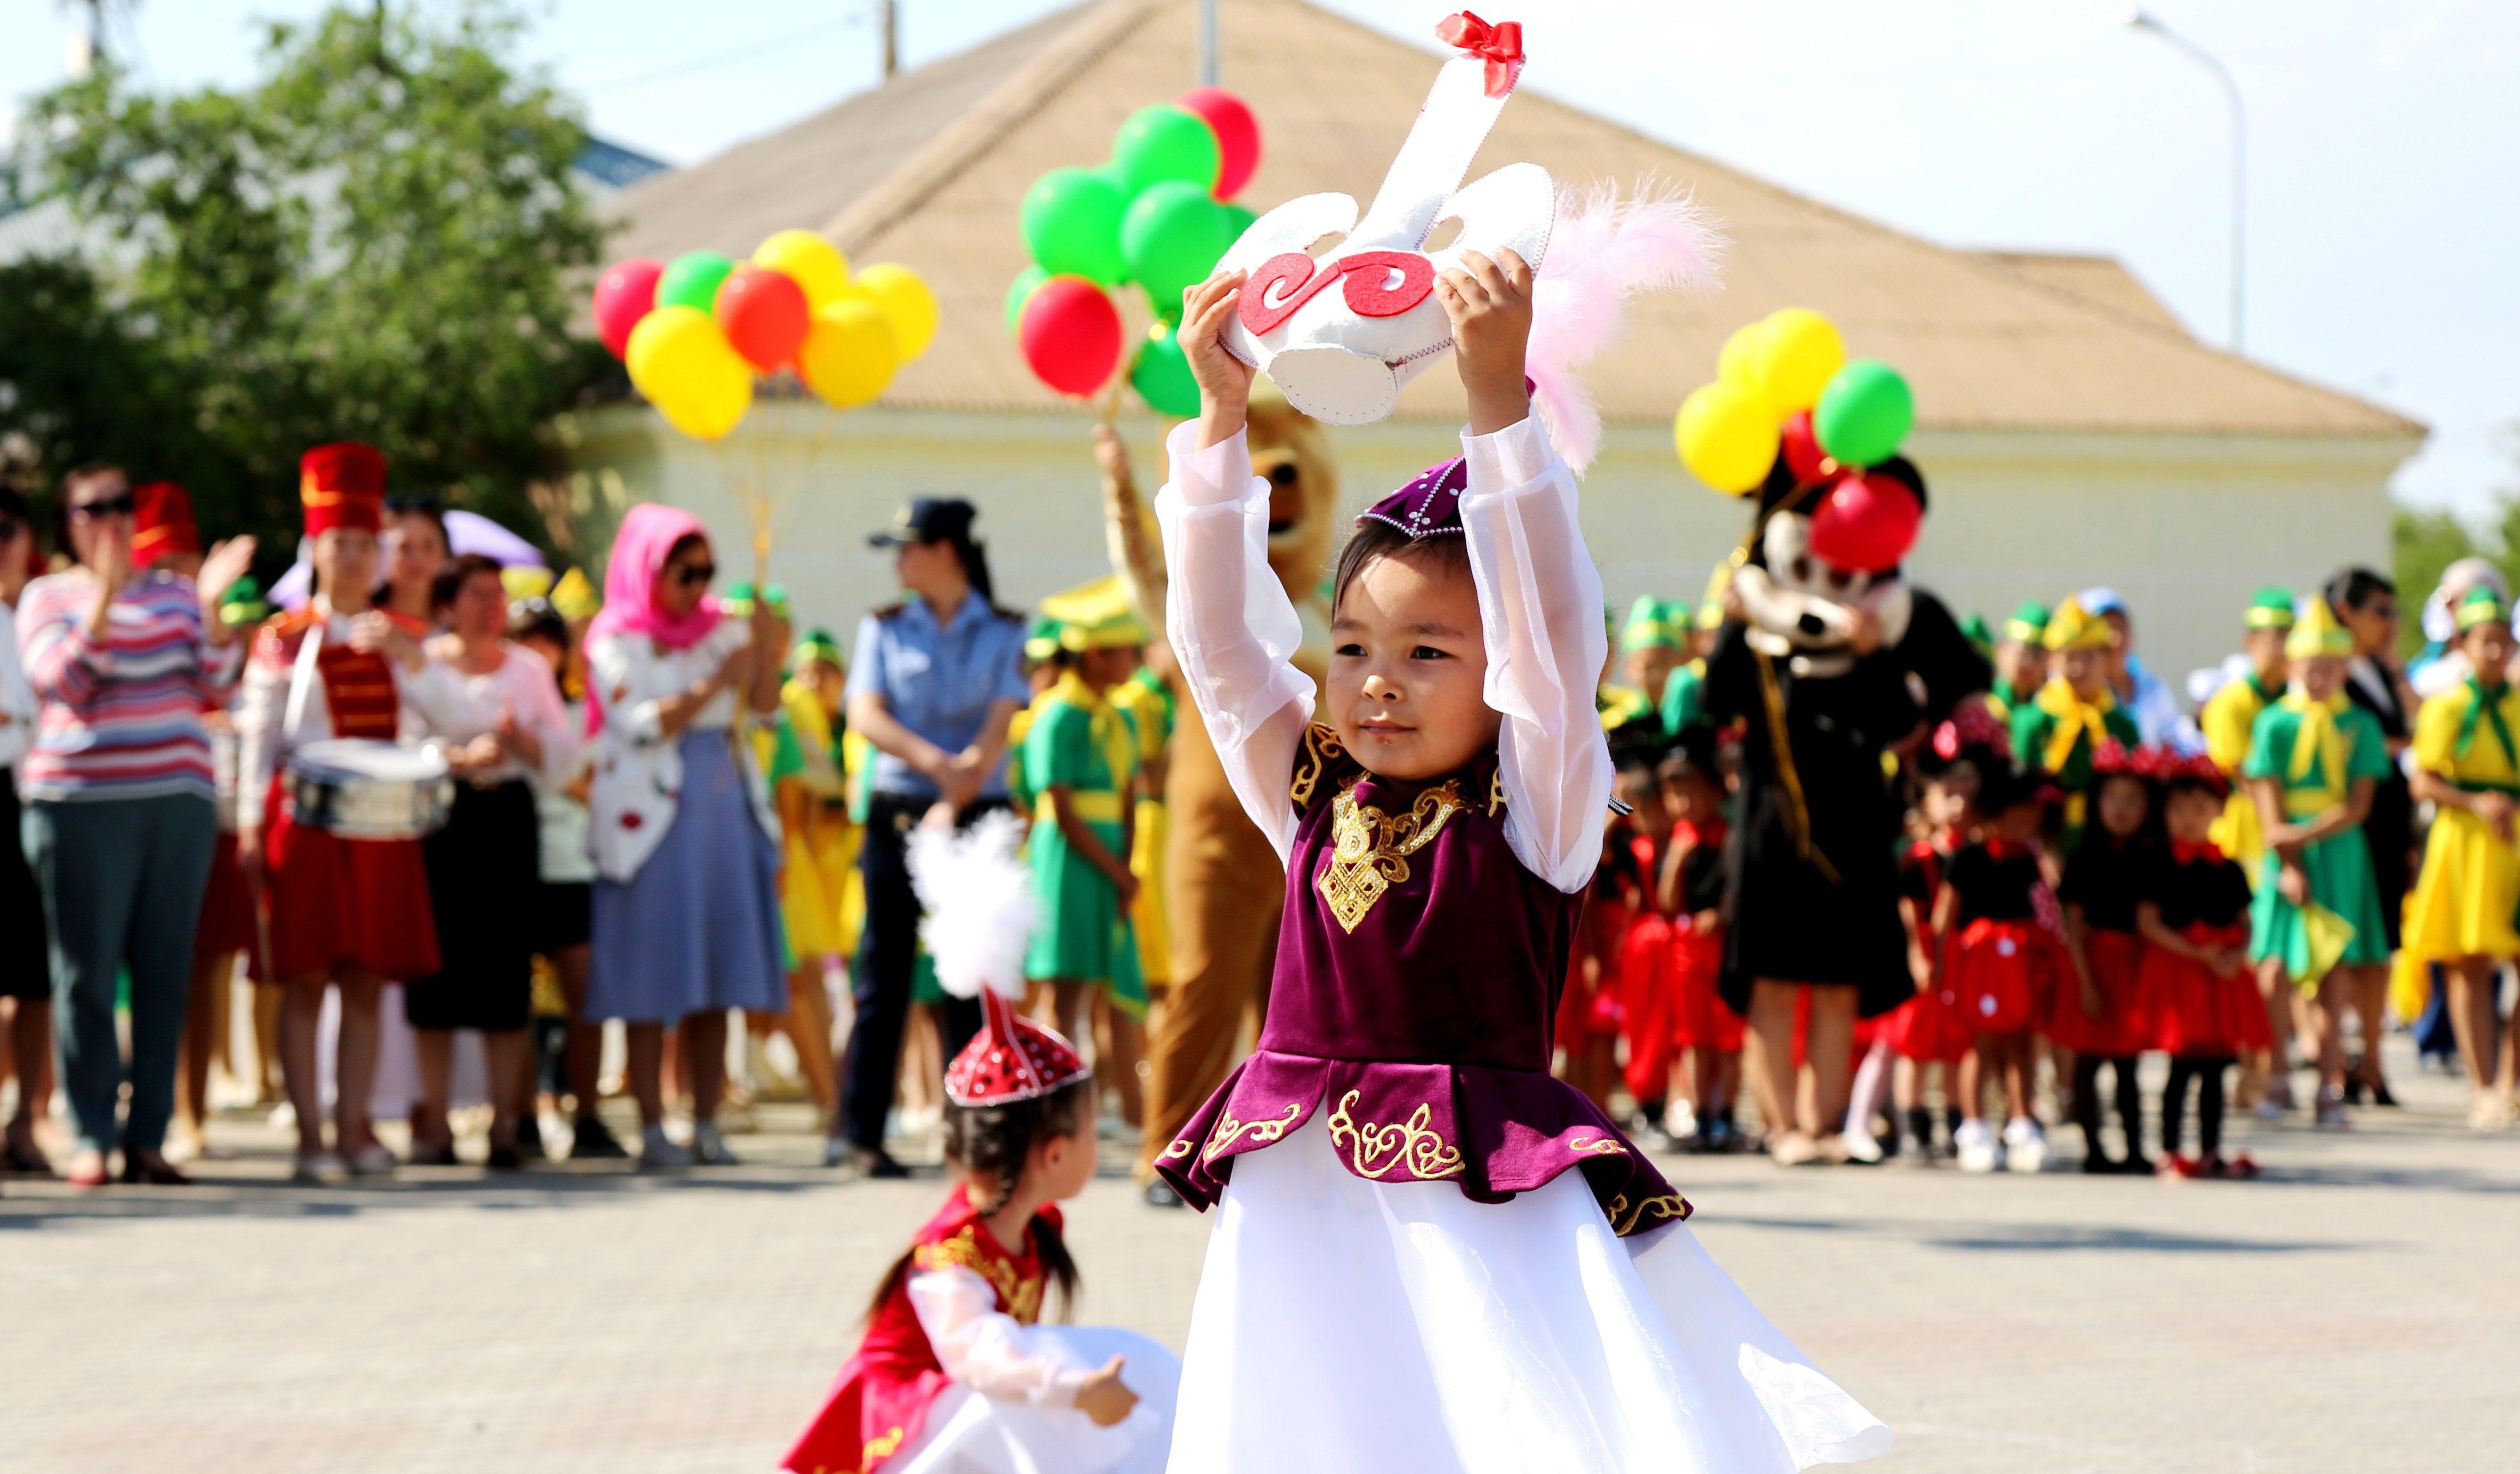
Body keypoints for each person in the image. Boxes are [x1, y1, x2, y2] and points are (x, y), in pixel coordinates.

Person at [1149, 258, 1889, 1469]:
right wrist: (1217, 425)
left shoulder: (1533, 801)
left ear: (1496, 679)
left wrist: (1497, 402)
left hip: (1474, 1206)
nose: (1376, 678)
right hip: (1303, 1199)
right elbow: (1222, 643)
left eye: (1427, 649)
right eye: (1350, 645)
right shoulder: (1306, 786)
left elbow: (1551, 640)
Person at [781, 817, 1180, 1474]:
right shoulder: (951, 1255)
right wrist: (1076, 1390)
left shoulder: (1032, 1223)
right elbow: (980, 1355)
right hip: (907, 1425)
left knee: (1093, 1363)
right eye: (1087, 1129)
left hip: (963, 1406)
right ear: (1053, 1153)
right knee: (1025, 1389)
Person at [18, 465, 255, 1186]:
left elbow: (218, 684)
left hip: (175, 803)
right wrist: (104, 601)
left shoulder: (179, 596)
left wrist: (213, 610)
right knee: (85, 975)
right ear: (70, 521)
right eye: (95, 507)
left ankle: (150, 1136)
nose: (113, 518)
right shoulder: (47, 595)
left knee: (164, 974)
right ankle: (91, 1133)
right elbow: (62, 681)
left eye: (123, 505)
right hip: (81, 804)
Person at [238, 445, 442, 1182]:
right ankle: (311, 1138)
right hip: (310, 825)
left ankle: (357, 1126)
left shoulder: (403, 639)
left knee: (365, 978)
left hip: (382, 825)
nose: (353, 558)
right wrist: (252, 826)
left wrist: (413, 661)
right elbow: (258, 740)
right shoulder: (282, 637)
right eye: (340, 543)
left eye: (364, 544)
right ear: (316, 549)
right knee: (306, 978)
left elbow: (442, 724)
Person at [584, 504, 788, 1169]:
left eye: (707, 571)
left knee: (717, 975)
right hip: (651, 825)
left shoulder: (720, 632)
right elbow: (641, 721)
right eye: (684, 571)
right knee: (651, 978)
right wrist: (717, 680)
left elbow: (764, 714)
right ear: (649, 567)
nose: (698, 586)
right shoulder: (613, 637)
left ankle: (706, 1120)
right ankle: (649, 1124)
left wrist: (767, 651)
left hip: (724, 816)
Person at [834, 497, 1029, 1176]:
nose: (897, 560)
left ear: (944, 550)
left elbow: (1001, 721)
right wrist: (937, 767)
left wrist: (959, 783)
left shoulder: (1006, 628)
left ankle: (975, 1128)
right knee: (882, 971)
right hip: (899, 809)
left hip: (976, 811)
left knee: (971, 977)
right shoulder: (883, 626)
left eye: (907, 546)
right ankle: (860, 1133)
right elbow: (864, 712)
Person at [401, 553, 571, 1168]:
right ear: (449, 603)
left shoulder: (528, 669)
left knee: (505, 973)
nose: (491, 606)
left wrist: (517, 741)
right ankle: (437, 1125)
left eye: (497, 596)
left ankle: (505, 1125)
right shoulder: (421, 662)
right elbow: (403, 741)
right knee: (436, 975)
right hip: (443, 822)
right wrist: (453, 755)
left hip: (506, 822)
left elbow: (559, 757)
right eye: (478, 595)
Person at [2241, 598, 2393, 1129]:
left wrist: (2303, 836)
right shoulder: (2272, 723)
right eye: (2308, 667)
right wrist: (2286, 857)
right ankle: (2275, 1075)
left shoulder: (2358, 724)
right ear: (2292, 667)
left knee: (2335, 968)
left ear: (2343, 669)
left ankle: (2328, 1085)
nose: (2317, 677)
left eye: (2328, 668)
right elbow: (2264, 792)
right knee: (2274, 963)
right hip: (2281, 853)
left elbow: (2358, 804)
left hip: (2337, 849)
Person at [1024, 580, 1151, 1131]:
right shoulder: (1055, 715)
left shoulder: (1121, 716)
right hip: (1070, 863)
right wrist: (1116, 869)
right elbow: (1059, 806)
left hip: (1112, 865)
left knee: (1119, 988)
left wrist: (1128, 864)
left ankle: (1133, 1112)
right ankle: (1053, 1109)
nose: (1136, 659)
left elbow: (1127, 795)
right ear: (1096, 655)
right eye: (1126, 650)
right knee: (1065, 992)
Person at [506, 597, 622, 1158]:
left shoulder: (584, 712)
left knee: (585, 997)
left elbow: (594, 784)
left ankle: (588, 1114)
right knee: (515, 1002)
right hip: (518, 865)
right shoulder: (498, 704)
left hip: (575, 867)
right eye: (524, 638)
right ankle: (520, 1111)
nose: (537, 652)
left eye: (546, 639)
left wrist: (544, 762)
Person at [2403, 587, 2520, 1129]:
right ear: (2464, 646)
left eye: (2502, 642)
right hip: (2464, 839)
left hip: (2513, 838)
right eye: (2484, 642)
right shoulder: (2447, 706)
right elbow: (2423, 779)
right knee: (2467, 966)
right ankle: (2481, 1086)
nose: (2494, 652)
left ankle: (2510, 1078)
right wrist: (2474, 801)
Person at [2138, 756, 2263, 1178]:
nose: (2188, 819)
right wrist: (2196, 954)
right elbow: (2148, 923)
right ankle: (2170, 1149)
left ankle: (2211, 1149)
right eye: (2178, 810)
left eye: (2198, 810)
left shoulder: (2228, 869)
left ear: (2218, 812)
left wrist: (2236, 955)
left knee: (2216, 1068)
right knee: (2181, 1067)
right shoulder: (2159, 865)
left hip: (2219, 978)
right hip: (2182, 977)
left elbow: (2245, 923)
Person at [1933, 761, 2058, 1174]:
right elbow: (1944, 916)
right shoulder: (1967, 856)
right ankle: (1973, 1127)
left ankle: (2022, 1124)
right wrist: (1934, 963)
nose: (2026, 822)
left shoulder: (2029, 858)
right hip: (1981, 965)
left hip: (2020, 963)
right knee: (1981, 1046)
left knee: (2021, 1045)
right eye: (2017, 814)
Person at [2330, 567, 2413, 1107]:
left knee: (2379, 943)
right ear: (2346, 613)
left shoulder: (2380, 672)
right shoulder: (2328, 670)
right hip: (2345, 824)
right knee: (2341, 946)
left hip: (2386, 820)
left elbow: (2414, 729)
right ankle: (2334, 1061)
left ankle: (2374, 1062)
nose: (2390, 623)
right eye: (2379, 611)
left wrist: (2397, 672)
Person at [2054, 743, 2157, 1174]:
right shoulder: (2083, 857)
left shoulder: (2151, 856)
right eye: (2112, 798)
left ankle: (2135, 1148)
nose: (2121, 808)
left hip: (2135, 964)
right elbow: (2072, 924)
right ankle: (2093, 1148)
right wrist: (2085, 982)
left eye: (2132, 799)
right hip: (2094, 962)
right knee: (2087, 1063)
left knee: (2129, 1065)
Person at [766, 629, 852, 1119]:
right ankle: (831, 1097)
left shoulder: (789, 703)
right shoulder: (789, 702)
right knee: (803, 981)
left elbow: (813, 785)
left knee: (802, 980)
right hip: (784, 851)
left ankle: (832, 1100)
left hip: (785, 853)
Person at [0, 487, 54, 1175]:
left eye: (8, 528)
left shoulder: (50, 609)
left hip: (43, 797)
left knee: (37, 973)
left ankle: (26, 1122)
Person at [1888, 755, 1977, 1161]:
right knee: (1917, 1047)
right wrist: (1916, 956)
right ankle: (1913, 1125)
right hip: (1927, 951)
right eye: (1949, 796)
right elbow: (1908, 909)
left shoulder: (1977, 852)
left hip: (1966, 956)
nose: (1958, 806)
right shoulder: (1920, 856)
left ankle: (1959, 1123)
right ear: (1929, 804)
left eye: (1965, 797)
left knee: (1959, 1047)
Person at [2012, 597, 2141, 845]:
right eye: (2070, 658)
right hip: (2044, 841)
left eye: (2090, 657)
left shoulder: (2122, 724)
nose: (2079, 668)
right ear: (2052, 660)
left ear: (2108, 660)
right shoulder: (2031, 721)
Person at [2198, 588, 2293, 873]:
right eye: (2275, 639)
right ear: (2250, 641)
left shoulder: (2298, 701)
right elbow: (2244, 777)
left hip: (2295, 822)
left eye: (2290, 639)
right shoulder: (2230, 703)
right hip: (2249, 828)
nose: (2283, 650)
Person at [2078, 588, 2181, 745]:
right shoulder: (2076, 695)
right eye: (2105, 629)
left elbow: (2176, 741)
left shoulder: (2153, 688)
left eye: (2120, 627)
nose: (2116, 639)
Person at [379, 495, 452, 630]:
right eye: (405, 547)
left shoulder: (459, 630)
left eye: (429, 546)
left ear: (445, 553)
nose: (418, 558)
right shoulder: (364, 628)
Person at [1983, 601, 2049, 724]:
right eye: (2022, 653)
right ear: (2001, 651)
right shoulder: (1985, 706)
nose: (2028, 662)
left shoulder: (2050, 712)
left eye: (2037, 656)